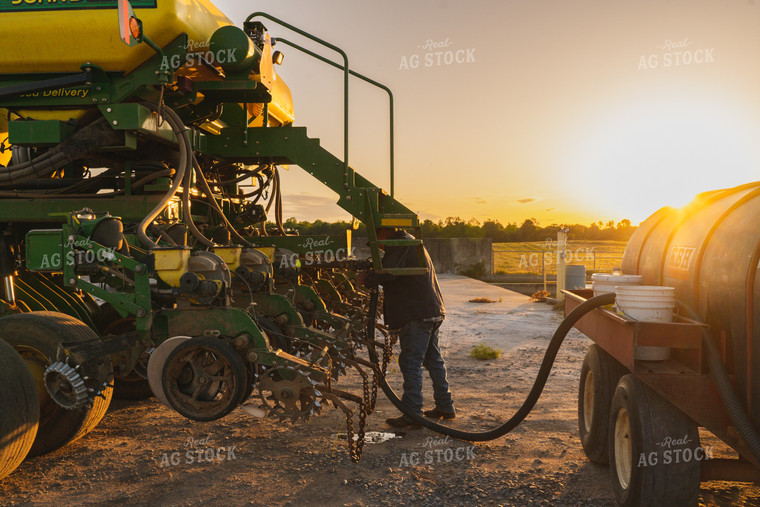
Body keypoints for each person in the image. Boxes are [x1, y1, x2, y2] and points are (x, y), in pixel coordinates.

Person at [366, 227, 455, 429]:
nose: (379, 247)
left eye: (376, 240)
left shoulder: (400, 244)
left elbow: (386, 273)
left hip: (417, 313)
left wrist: (368, 279)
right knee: (433, 359)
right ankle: (445, 406)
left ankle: (413, 413)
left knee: (410, 362)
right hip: (429, 310)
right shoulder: (409, 241)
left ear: (382, 233)